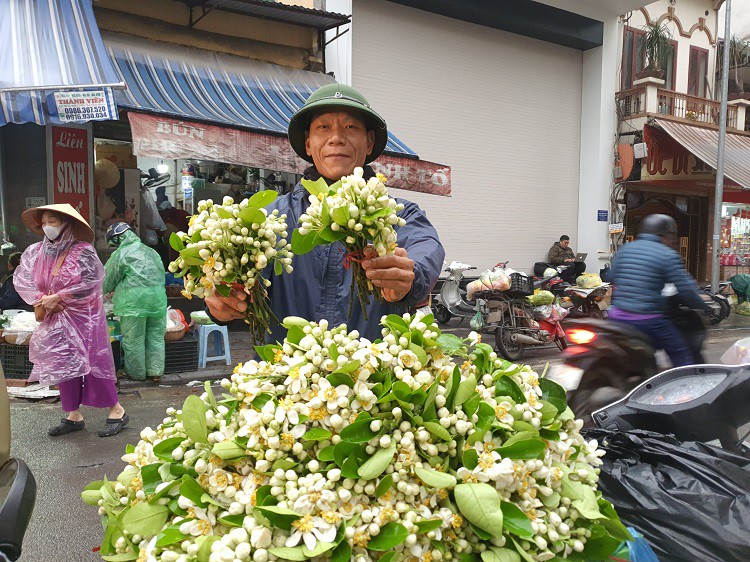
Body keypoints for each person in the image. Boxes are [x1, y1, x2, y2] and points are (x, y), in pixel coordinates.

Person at [205, 84, 445, 342]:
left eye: (351, 127)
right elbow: (236, 288)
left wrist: (409, 276)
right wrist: (223, 301)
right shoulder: (268, 219)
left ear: (370, 142)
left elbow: (426, 247)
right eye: (323, 127)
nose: (337, 138)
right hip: (285, 376)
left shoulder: (399, 214)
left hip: (370, 375)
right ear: (309, 144)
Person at [14, 204, 128, 437]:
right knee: (64, 366)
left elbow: (91, 284)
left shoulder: (83, 251)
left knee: (94, 363)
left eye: (52, 221)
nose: (47, 226)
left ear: (67, 224)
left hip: (84, 320)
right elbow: (24, 280)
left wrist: (61, 297)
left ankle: (117, 411)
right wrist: (43, 299)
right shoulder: (36, 252)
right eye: (44, 222)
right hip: (55, 319)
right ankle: (73, 415)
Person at [608, 214, 708, 367]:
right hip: (647, 319)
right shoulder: (667, 254)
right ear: (665, 236)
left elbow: (611, 276)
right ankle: (685, 387)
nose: (672, 242)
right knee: (680, 351)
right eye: (672, 238)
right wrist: (703, 305)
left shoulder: (625, 248)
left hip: (616, 316)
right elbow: (686, 290)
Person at [103, 222, 167, 382]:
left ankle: (136, 374)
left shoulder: (121, 254)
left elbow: (107, 280)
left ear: (117, 238)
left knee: (134, 339)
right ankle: (155, 372)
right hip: (158, 301)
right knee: (156, 337)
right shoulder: (152, 252)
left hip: (134, 304)